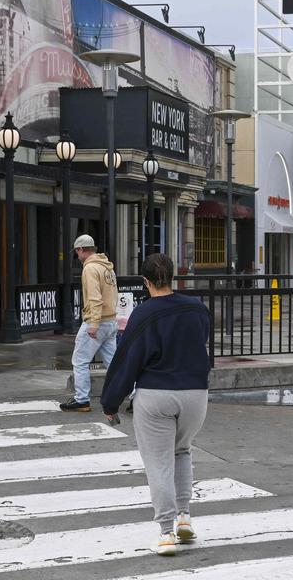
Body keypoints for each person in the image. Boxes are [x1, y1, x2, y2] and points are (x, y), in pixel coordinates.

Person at [101, 253, 211, 557]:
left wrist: (111, 401)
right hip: (195, 393)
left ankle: (165, 533)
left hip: (156, 394)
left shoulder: (145, 314)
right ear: (174, 277)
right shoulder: (197, 308)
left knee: (158, 463)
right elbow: (201, 341)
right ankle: (184, 517)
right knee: (182, 451)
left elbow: (127, 361)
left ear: (145, 281)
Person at [60, 234, 118, 412]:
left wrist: (93, 324)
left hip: (97, 322)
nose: (77, 256)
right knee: (115, 363)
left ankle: (82, 399)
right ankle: (134, 395)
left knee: (80, 361)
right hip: (111, 320)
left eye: (77, 252)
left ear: (80, 250)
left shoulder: (90, 268)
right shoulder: (107, 267)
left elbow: (94, 297)